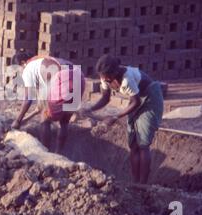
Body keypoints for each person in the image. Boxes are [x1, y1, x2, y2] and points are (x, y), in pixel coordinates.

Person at [79, 55, 163, 184]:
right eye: (102, 76)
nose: (104, 79)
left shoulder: (127, 78)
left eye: (106, 76)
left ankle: (143, 185)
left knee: (143, 144)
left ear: (115, 71)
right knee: (133, 145)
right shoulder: (105, 78)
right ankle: (135, 182)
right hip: (136, 99)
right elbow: (105, 98)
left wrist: (115, 116)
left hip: (150, 98)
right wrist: (90, 109)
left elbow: (136, 102)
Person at [11, 51, 85, 153]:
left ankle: (45, 153)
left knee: (45, 119)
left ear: (23, 63)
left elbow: (28, 99)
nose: (19, 73)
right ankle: (59, 153)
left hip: (64, 79)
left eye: (18, 70)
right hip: (79, 76)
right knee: (64, 121)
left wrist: (18, 121)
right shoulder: (42, 60)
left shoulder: (28, 68)